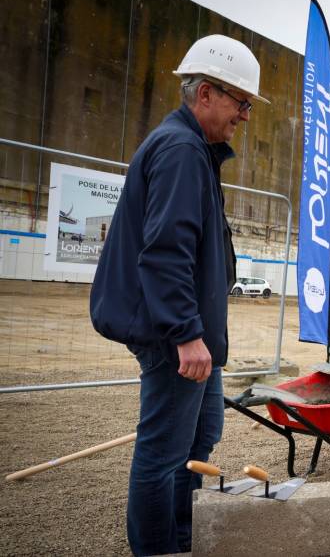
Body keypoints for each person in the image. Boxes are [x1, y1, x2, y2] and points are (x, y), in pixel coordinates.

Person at [89, 35, 268, 556]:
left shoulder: (195, 151)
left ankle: (184, 540)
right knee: (164, 454)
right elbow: (166, 251)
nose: (245, 116)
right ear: (206, 93)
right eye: (241, 103)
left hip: (188, 332)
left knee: (200, 435)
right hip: (173, 335)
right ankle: (159, 550)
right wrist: (186, 333)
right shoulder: (181, 150)